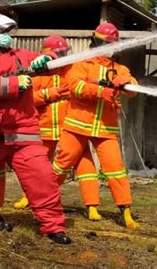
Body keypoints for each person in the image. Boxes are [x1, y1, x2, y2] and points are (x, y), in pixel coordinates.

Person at [0, 13, 71, 244]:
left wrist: (47, 59)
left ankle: (53, 227)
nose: (5, 38)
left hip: (24, 132)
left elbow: (52, 61)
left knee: (42, 178)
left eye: (7, 33)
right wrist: (15, 83)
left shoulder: (21, 56)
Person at [52, 22, 140, 230]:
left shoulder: (119, 68)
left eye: (112, 45)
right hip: (77, 125)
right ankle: (39, 198)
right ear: (96, 42)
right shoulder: (81, 63)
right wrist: (101, 91)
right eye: (106, 43)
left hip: (105, 129)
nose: (109, 48)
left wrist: (124, 83)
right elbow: (76, 86)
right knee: (61, 164)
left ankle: (125, 212)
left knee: (115, 169)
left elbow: (133, 88)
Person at [14, 35, 71, 210]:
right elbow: (28, 99)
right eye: (58, 53)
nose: (61, 57)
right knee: (36, 167)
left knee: (64, 166)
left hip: (66, 128)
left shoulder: (70, 71)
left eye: (63, 53)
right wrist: (49, 94)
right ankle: (27, 196)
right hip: (44, 128)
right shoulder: (36, 74)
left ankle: (50, 197)